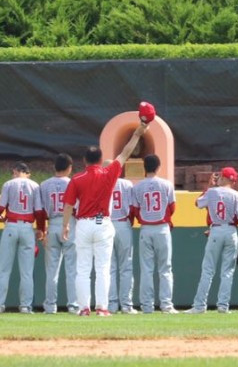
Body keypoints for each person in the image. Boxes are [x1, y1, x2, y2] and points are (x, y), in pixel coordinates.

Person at [60, 120, 149, 316]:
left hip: (84, 223)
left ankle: (84, 308)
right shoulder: (108, 173)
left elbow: (68, 205)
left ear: (85, 161)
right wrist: (137, 133)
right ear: (101, 160)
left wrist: (65, 226)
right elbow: (125, 153)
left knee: (83, 269)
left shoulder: (77, 179)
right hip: (102, 221)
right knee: (103, 268)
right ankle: (102, 308)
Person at [186, 167, 238, 314]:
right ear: (233, 181)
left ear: (222, 178)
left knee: (208, 270)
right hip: (231, 230)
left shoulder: (212, 192)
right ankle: (223, 306)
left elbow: (198, 203)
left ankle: (199, 306)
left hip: (216, 229)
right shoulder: (237, 195)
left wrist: (209, 186)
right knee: (227, 272)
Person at [0, 161, 42, 314]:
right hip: (27, 227)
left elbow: (0, 208)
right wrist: (41, 229)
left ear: (15, 171)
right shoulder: (35, 185)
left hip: (11, 226)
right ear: (27, 173)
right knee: (27, 272)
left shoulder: (8, 184)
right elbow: (39, 211)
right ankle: (25, 306)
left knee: (3, 269)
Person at [131, 153, 176, 314]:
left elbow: (135, 210)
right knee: (165, 268)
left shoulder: (137, 187)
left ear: (144, 167)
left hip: (146, 228)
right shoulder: (166, 184)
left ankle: (147, 306)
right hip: (162, 228)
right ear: (158, 167)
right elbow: (172, 207)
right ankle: (166, 305)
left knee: (146, 269)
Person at [38, 153, 77, 315]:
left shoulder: (44, 184)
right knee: (72, 269)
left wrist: (42, 230)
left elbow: (40, 211)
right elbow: (77, 209)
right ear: (69, 168)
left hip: (52, 224)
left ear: (54, 166)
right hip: (69, 224)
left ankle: (50, 306)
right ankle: (73, 305)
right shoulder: (73, 182)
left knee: (51, 271)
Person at [107, 169, 137, 314]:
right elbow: (132, 208)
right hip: (122, 223)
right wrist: (129, 223)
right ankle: (126, 304)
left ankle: (111, 305)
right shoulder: (126, 184)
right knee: (126, 267)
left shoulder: (102, 183)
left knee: (109, 268)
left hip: (106, 224)